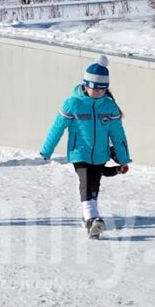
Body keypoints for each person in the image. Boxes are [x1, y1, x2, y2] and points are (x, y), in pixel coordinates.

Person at [39, 55, 131, 239]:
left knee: (94, 185)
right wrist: (46, 151)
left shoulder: (110, 106)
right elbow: (56, 128)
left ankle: (88, 217)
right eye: (93, 88)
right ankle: (92, 218)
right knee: (86, 182)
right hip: (78, 152)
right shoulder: (73, 103)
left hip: (100, 154)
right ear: (85, 85)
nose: (97, 92)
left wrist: (122, 158)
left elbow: (117, 135)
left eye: (101, 89)